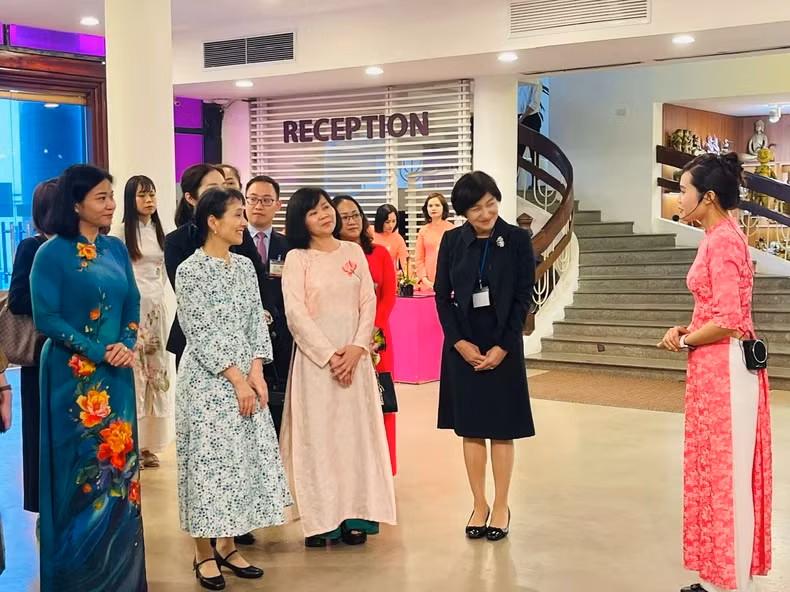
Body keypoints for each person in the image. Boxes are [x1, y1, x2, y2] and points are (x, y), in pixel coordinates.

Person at [658, 152, 772, 592]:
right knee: (715, 470)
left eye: (683, 190)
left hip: (726, 365)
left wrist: (688, 338)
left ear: (706, 197)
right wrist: (688, 330)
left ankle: (732, 582)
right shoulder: (719, 236)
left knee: (727, 472)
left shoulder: (723, 240)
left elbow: (728, 318)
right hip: (713, 364)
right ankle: (722, 576)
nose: (678, 196)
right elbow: (716, 311)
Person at [30, 164, 146, 591]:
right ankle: (76, 577)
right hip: (71, 378)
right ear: (75, 204)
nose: (111, 204)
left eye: (111, 195)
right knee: (77, 471)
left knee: (120, 473)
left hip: (117, 375)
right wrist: (99, 351)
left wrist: (126, 344)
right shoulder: (52, 253)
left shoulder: (115, 249)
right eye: (101, 197)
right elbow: (47, 317)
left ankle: (120, 575)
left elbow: (132, 303)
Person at [175, 188, 291, 591]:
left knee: (239, 465)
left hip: (246, 373)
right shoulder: (190, 270)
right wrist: (237, 378)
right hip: (209, 380)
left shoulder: (244, 266)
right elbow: (200, 330)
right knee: (207, 467)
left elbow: (255, 322)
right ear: (212, 221)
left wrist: (257, 370)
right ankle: (202, 552)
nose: (245, 222)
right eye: (238, 215)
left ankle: (227, 543)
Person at [281, 187, 396, 547]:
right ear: (302, 221)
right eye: (314, 212)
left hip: (356, 362)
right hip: (317, 366)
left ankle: (356, 515)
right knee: (319, 440)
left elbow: (368, 303)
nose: (326, 215)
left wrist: (357, 348)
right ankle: (321, 520)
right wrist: (331, 355)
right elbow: (294, 313)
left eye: (326, 207)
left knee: (354, 439)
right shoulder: (298, 258)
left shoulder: (353, 252)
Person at [434, 171, 536, 542]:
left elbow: (524, 296)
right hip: (464, 346)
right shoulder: (451, 242)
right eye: (476, 208)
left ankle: (503, 504)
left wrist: (504, 347)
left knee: (502, 429)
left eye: (490, 202)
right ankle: (479, 503)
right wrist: (458, 343)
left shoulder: (517, 239)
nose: (485, 212)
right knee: (473, 428)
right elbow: (441, 296)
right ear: (462, 211)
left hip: (503, 344)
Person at [333, 195, 398, 475]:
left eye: (355, 215)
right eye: (344, 216)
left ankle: (383, 468)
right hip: (340, 339)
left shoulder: (380, 254)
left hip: (377, 339)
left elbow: (388, 297)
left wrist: (372, 328)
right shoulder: (329, 255)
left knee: (382, 402)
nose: (351, 221)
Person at [111, 175, 171, 468]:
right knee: (134, 371)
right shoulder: (121, 232)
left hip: (157, 307)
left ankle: (150, 445)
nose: (149, 201)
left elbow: (162, 272)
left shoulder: (160, 231)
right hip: (133, 305)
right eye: (142, 196)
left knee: (155, 373)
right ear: (130, 200)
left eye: (152, 195)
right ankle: (130, 440)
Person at [8, 178, 57, 516]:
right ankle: (43, 508)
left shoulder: (83, 246)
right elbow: (18, 300)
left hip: (73, 353)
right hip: (40, 354)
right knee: (40, 434)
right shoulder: (32, 246)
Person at [245, 175, 291, 436]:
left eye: (266, 200)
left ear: (278, 204)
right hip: (244, 336)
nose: (258, 206)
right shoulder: (233, 243)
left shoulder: (289, 246)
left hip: (281, 334)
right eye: (253, 199)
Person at [415, 193, 454, 291]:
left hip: (448, 283)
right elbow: (419, 259)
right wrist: (425, 280)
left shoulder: (452, 230)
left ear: (443, 208)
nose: (433, 208)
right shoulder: (423, 231)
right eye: (430, 206)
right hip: (427, 284)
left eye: (437, 205)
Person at [373, 203, 410, 275]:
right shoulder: (370, 235)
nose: (391, 225)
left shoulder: (397, 238)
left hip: (391, 277)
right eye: (387, 222)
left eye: (394, 221)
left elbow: (405, 261)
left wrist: (408, 278)